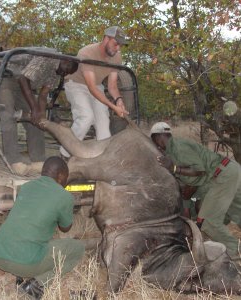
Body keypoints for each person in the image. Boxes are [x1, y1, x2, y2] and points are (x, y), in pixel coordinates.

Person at [0, 156, 85, 299]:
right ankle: (37, 285)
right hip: (24, 262)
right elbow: (65, 227)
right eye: (66, 177)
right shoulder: (63, 196)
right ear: (61, 175)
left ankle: (19, 275)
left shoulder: (27, 186)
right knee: (78, 248)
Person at [150, 121, 241, 258]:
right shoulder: (174, 151)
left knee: (207, 222)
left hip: (222, 175)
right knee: (237, 212)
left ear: (159, 137)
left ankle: (234, 252)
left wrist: (174, 168)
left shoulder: (177, 147)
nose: (157, 146)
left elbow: (199, 170)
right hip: (228, 171)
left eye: (155, 141)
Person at [0, 49, 78, 175]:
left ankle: (38, 160)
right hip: (5, 78)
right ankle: (13, 161)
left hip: (22, 87)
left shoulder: (57, 73)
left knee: (36, 121)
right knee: (8, 115)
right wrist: (34, 108)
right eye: (67, 69)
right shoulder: (48, 57)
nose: (65, 74)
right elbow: (23, 79)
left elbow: (43, 95)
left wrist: (41, 115)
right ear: (65, 59)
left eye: (67, 73)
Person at [60, 26, 129, 159]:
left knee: (103, 120)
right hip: (76, 85)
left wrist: (118, 100)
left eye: (121, 45)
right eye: (116, 44)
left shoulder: (117, 57)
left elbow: (112, 86)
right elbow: (91, 88)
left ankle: (103, 158)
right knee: (86, 117)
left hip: (97, 86)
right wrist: (113, 107)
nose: (118, 48)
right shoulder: (87, 53)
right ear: (106, 38)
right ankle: (65, 153)